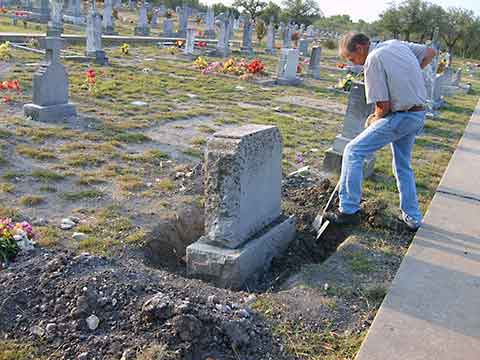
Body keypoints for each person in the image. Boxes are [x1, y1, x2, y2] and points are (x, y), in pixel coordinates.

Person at [325, 32, 436, 231]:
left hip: (401, 117)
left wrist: (374, 119)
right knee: (402, 165)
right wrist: (408, 76)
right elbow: (430, 52)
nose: (355, 64)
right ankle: (413, 218)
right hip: (417, 114)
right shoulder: (396, 44)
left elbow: (383, 106)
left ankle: (348, 210)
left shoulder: (373, 59)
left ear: (360, 48)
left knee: (353, 151)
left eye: (352, 59)